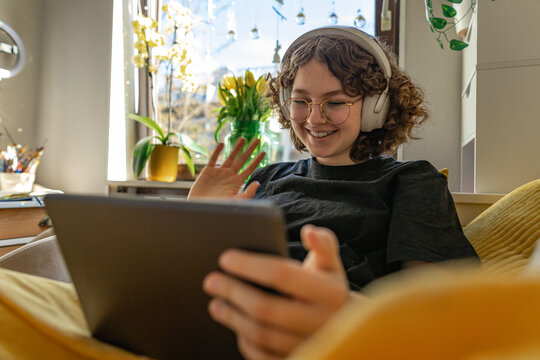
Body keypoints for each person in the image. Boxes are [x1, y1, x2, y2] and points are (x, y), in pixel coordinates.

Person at [189, 25, 478, 360]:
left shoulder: (411, 181)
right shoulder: (266, 178)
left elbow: (434, 314)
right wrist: (198, 217)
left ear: (375, 108)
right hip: (221, 323)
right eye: (300, 101)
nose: (314, 118)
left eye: (335, 102)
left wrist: (344, 313)